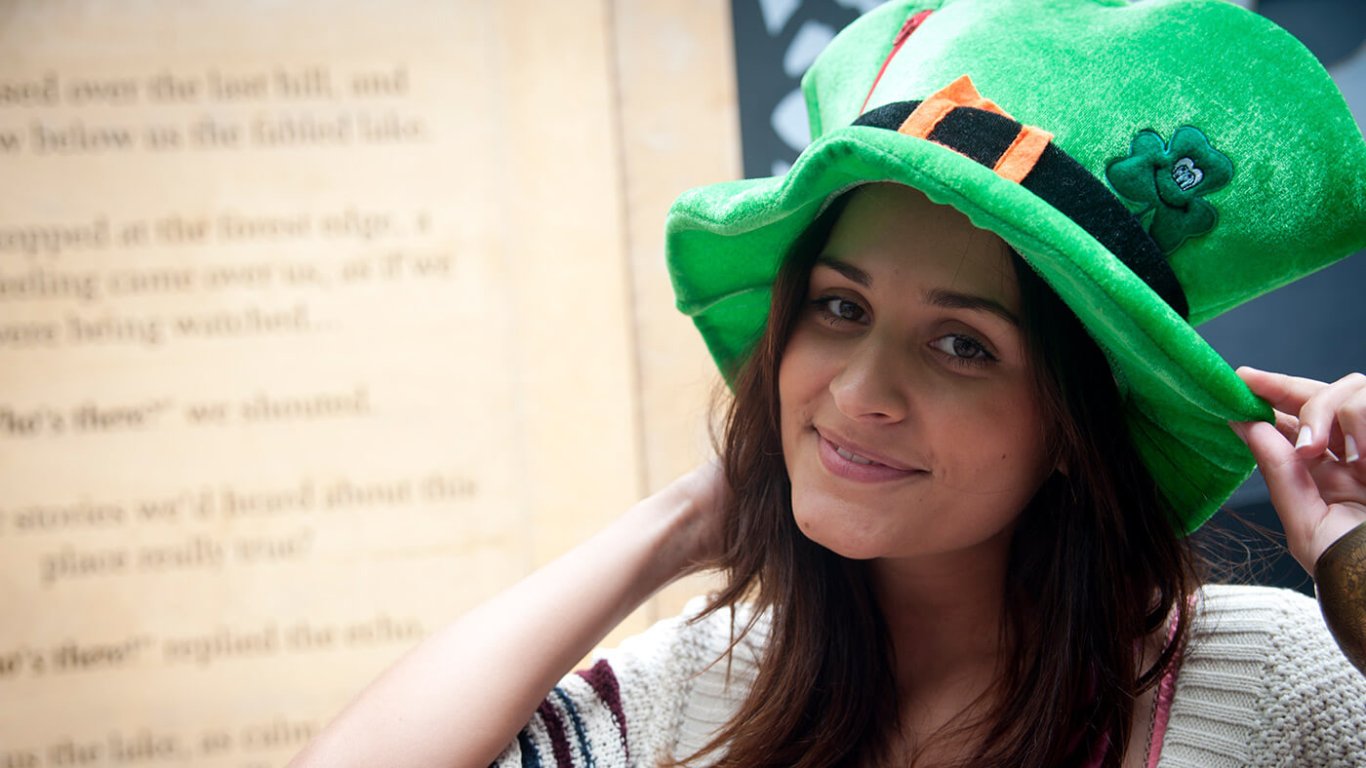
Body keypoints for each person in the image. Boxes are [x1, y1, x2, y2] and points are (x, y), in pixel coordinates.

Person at [290, 0, 1366, 766]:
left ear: (1072, 427)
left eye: (963, 345)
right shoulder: (709, 687)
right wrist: (673, 526)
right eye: (839, 308)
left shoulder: (1266, 684)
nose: (859, 393)